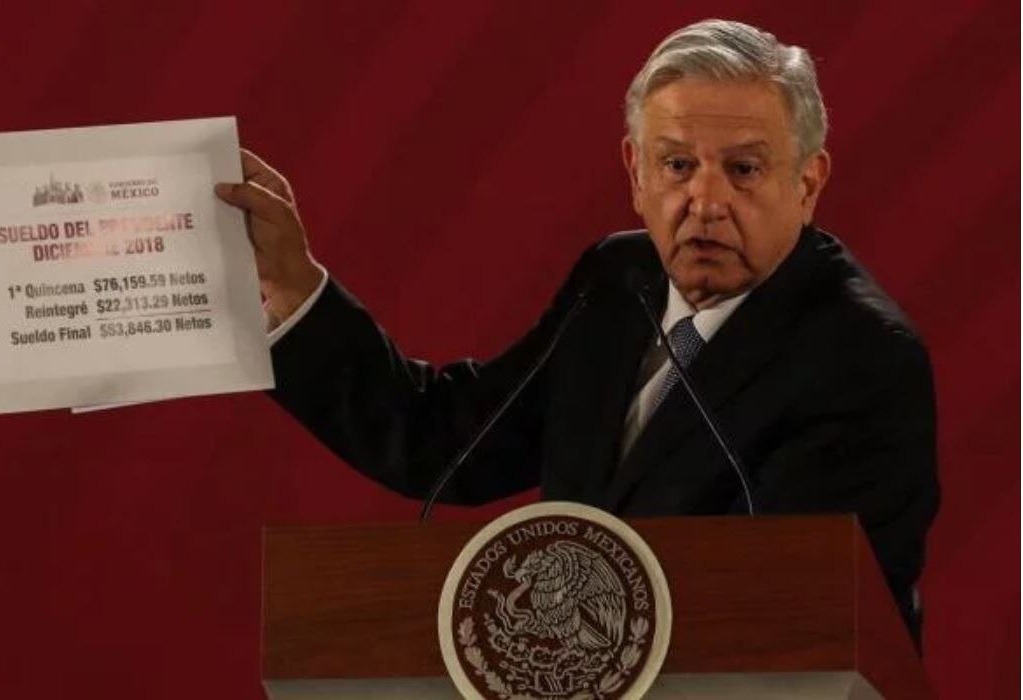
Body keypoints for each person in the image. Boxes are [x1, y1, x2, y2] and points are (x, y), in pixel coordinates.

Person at [214, 19, 938, 644]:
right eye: (678, 165)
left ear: (807, 184)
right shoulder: (618, 283)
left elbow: (789, 622)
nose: (706, 201)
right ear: (636, 172)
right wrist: (294, 289)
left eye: (744, 169)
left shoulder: (863, 356)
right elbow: (448, 444)